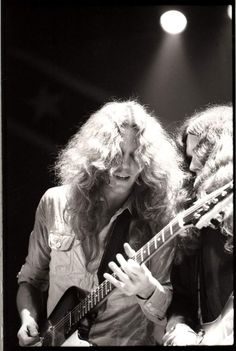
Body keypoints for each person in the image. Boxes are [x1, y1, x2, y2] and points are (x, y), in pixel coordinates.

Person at [16, 99, 185, 346]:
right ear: (98, 154)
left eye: (135, 155)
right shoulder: (55, 202)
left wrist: (147, 288)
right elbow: (30, 279)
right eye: (117, 153)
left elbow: (166, 316)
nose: (124, 165)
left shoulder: (158, 217)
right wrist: (27, 319)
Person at [163, 104, 233, 346]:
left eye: (198, 154)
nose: (191, 166)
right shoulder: (194, 222)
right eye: (188, 157)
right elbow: (181, 299)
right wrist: (179, 332)